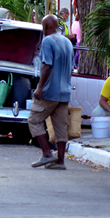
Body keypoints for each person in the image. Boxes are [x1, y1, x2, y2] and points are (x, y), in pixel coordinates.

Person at [28, 14, 75, 170]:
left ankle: (47, 154)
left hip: (49, 91)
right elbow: (71, 68)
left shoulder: (48, 41)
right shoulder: (68, 42)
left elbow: (47, 65)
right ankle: (60, 161)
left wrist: (40, 87)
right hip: (64, 92)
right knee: (61, 127)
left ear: (45, 27)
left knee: (34, 119)